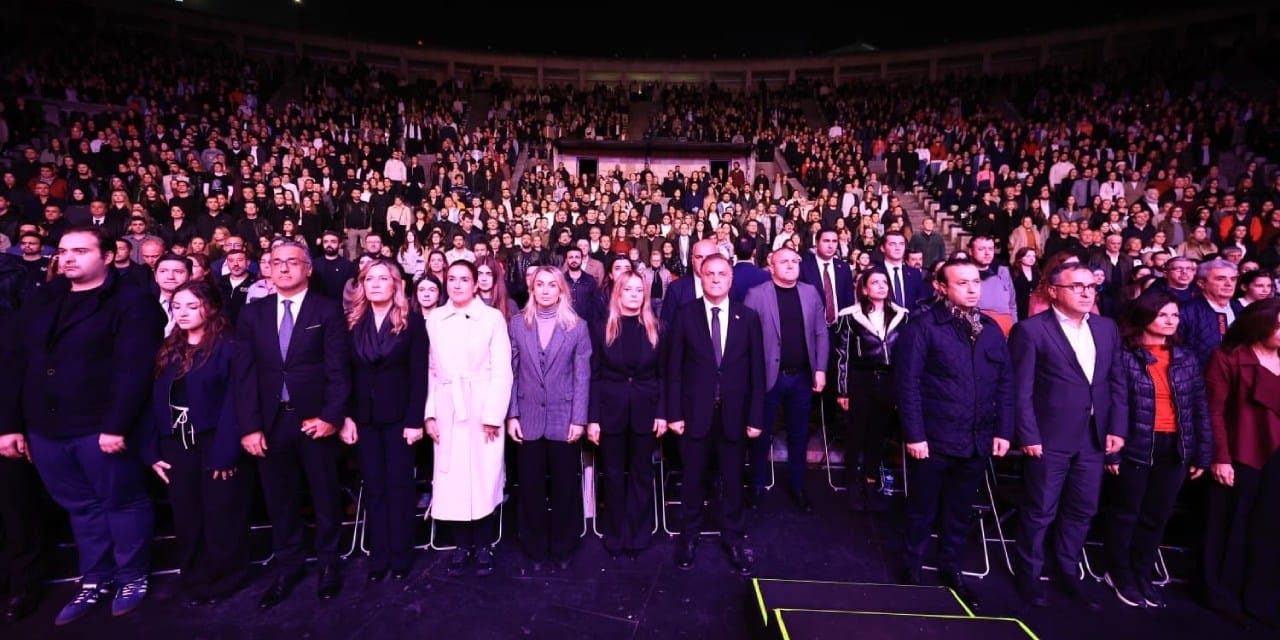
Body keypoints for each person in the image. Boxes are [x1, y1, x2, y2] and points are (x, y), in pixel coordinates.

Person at [1, 226, 164, 625]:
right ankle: (95, 578)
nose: (69, 258)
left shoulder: (133, 301)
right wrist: (10, 425)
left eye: (81, 251)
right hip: (45, 428)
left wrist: (117, 425)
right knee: (80, 507)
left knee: (122, 501)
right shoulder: (44, 297)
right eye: (64, 251)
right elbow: (16, 362)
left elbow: (135, 369)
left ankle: (131, 575)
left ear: (108, 256)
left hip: (101, 427)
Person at [233, 240, 352, 608]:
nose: (283, 268)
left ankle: (329, 563)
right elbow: (244, 374)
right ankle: (289, 566)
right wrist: (249, 427)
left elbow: (338, 369)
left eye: (292, 262)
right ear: (267, 268)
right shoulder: (253, 313)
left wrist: (331, 416)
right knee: (279, 499)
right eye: (276, 262)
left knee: (325, 496)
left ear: (308, 269)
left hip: (315, 421)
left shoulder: (327, 309)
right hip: (270, 423)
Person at [893, 258, 1012, 604]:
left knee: (959, 511)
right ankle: (911, 567)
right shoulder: (923, 327)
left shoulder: (990, 328)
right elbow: (907, 385)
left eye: (976, 282)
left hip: (977, 439)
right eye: (962, 283)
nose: (972, 289)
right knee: (922, 508)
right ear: (941, 287)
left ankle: (951, 567)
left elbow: (1006, 383)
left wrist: (1003, 430)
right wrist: (914, 435)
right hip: (933, 439)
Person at [1010, 261, 1127, 611]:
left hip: (1094, 437)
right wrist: (1028, 434)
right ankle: (1029, 577)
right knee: (1039, 511)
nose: (1086, 292)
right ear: (1053, 291)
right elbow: (1021, 390)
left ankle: (1067, 572)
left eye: (1091, 286)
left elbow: (1116, 382)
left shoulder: (1107, 327)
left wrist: (1117, 428)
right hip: (1048, 438)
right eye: (1077, 286)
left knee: (1082, 510)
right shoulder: (1031, 330)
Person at [141, 281, 250, 606]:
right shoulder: (169, 347)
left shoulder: (229, 346)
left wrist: (226, 452)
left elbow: (236, 402)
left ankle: (227, 576)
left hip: (215, 439)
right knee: (187, 512)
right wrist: (152, 450)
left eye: (192, 306)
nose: (183, 312)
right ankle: (193, 575)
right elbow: (153, 400)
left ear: (211, 308)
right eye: (177, 306)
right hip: (176, 441)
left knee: (222, 511)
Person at [1103, 289, 1212, 608]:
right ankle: (1119, 573)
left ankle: (1142, 573)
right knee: (1126, 513)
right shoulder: (1124, 355)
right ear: (1144, 315)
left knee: (1157, 515)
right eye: (1162, 314)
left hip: (1176, 445)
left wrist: (1203, 452)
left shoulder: (1186, 356)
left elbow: (1199, 407)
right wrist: (1113, 450)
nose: (1170, 320)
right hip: (1136, 442)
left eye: (1174, 315)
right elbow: (1113, 405)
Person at [666, 254, 766, 575]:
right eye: (710, 273)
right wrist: (674, 413)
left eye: (722, 273)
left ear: (731, 278)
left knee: (733, 481)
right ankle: (689, 537)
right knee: (692, 479)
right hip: (694, 415)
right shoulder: (685, 314)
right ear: (701, 276)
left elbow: (757, 372)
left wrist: (756, 417)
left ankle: (734, 539)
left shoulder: (747, 317)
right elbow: (674, 370)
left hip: (735, 416)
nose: (716, 279)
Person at [338, 260, 429, 582]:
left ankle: (401, 553)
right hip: (363, 418)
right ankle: (379, 553)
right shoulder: (351, 322)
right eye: (369, 279)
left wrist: (415, 419)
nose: (375, 284)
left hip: (400, 418)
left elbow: (419, 374)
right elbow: (344, 374)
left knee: (400, 486)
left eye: (382, 278)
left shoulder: (412, 322)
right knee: (373, 485)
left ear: (395, 284)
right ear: (362, 285)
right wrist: (346, 417)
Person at [424, 260, 513, 577]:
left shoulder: (492, 318)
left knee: (484, 476)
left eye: (464, 279)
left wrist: (493, 414)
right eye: (452, 279)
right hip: (448, 403)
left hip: (481, 404)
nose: (457, 284)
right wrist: (430, 413)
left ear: (476, 284)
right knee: (453, 479)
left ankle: (484, 543)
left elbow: (502, 370)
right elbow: (432, 370)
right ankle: (461, 545)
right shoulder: (436, 318)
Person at [507, 265, 592, 570]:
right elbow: (511, 372)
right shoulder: (517, 324)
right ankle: (534, 546)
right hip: (527, 416)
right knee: (530, 486)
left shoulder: (578, 327)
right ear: (532, 289)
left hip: (564, 417)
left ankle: (563, 546)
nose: (545, 290)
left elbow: (582, 376)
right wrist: (512, 415)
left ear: (561, 290)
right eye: (540, 284)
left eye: (551, 285)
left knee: (565, 486)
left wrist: (579, 419)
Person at [1203, 298, 1280, 627]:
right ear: (1259, 325)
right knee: (1230, 526)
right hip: (1240, 452)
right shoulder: (1228, 357)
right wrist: (1220, 457)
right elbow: (1214, 411)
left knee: (1270, 529)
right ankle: (1223, 596)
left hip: (1277, 455)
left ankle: (1262, 599)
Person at [743, 247, 829, 511]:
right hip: (767, 379)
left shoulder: (810, 292)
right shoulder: (756, 295)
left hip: (801, 378)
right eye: (784, 261)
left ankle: (798, 486)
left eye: (795, 261)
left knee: (799, 435)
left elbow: (820, 333)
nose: (791, 265)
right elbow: (745, 339)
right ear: (771, 266)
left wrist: (820, 369)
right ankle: (757, 485)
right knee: (761, 435)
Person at [587, 271, 665, 558]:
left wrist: (662, 413)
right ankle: (615, 533)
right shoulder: (601, 329)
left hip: (646, 411)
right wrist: (593, 418)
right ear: (618, 293)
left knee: (641, 474)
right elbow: (594, 377)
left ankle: (638, 535)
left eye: (639, 290)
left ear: (645, 295)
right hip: (611, 411)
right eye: (628, 289)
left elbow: (663, 375)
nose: (634, 294)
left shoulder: (658, 328)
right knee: (613, 474)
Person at [833, 267, 910, 512]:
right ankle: (851, 481)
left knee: (878, 433)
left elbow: (907, 356)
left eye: (884, 282)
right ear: (864, 289)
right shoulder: (849, 316)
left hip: (888, 381)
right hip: (860, 380)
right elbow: (842, 356)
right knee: (856, 433)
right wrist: (842, 390)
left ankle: (871, 480)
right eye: (875, 282)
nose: (881, 286)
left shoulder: (902, 315)